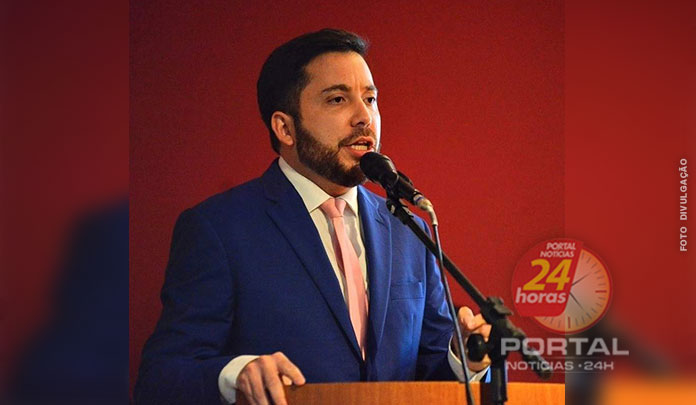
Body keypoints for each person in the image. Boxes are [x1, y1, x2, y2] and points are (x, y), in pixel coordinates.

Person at [135, 28, 491, 405]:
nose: (364, 118)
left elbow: (428, 374)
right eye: (338, 99)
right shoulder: (219, 229)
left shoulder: (408, 230)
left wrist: (463, 359)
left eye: (370, 98)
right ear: (285, 128)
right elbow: (160, 380)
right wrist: (235, 373)